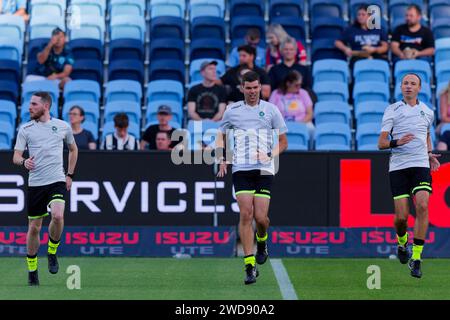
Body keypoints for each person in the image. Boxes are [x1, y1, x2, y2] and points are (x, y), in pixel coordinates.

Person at [216, 71, 288, 285]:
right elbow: (222, 135)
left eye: (256, 87)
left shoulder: (271, 110)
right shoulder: (232, 111)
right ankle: (249, 265)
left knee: (261, 218)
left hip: (264, 168)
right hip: (241, 167)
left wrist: (269, 154)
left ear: (260, 88)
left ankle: (262, 240)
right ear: (242, 88)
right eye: (248, 88)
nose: (252, 91)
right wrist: (223, 158)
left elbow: (283, 142)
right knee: (246, 214)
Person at [12, 91, 78, 286]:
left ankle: (52, 251)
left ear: (45, 106)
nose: (29, 107)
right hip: (36, 184)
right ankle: (32, 270)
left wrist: (70, 174)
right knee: (34, 228)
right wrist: (24, 162)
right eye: (29, 104)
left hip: (56, 179)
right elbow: (15, 157)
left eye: (33, 104)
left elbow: (73, 149)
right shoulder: (26, 129)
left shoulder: (63, 127)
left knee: (58, 216)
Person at [378, 73, 440, 278]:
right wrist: (397, 142)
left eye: (413, 83)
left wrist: (429, 154)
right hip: (398, 167)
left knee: (422, 205)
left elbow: (427, 135)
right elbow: (381, 143)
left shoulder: (427, 112)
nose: (408, 86)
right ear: (401, 87)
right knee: (401, 218)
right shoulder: (392, 110)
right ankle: (402, 242)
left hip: (420, 165)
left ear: (419, 88)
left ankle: (417, 257)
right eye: (405, 83)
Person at [335, 4, 388, 68]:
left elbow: (385, 47)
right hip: (358, 57)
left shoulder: (378, 29)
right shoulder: (351, 29)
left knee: (383, 62)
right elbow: (337, 42)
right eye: (359, 15)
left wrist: (374, 49)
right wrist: (345, 49)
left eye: (363, 14)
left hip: (376, 55)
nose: (360, 17)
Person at [269, 71, 314, 136]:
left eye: (300, 85)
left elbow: (310, 113)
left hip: (302, 122)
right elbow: (270, 112)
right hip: (281, 123)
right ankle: (276, 146)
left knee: (311, 129)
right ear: (288, 83)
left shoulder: (303, 93)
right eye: (296, 85)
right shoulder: (276, 93)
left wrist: (300, 124)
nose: (299, 87)